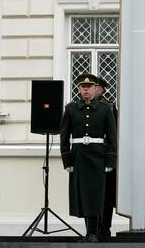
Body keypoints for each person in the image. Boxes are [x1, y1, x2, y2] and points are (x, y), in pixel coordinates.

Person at [60, 74, 116, 243]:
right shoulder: (70, 108)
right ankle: (89, 232)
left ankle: (93, 232)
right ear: (79, 89)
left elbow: (112, 137)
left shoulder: (105, 109)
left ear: (95, 89)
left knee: (96, 195)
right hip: (79, 156)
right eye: (83, 87)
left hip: (98, 155)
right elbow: (64, 136)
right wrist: (67, 160)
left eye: (89, 86)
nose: (85, 89)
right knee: (83, 194)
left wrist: (110, 160)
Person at [94, 77, 117, 237]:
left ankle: (104, 227)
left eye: (93, 86)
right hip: (90, 156)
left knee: (107, 194)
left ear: (101, 89)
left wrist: (111, 157)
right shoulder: (79, 107)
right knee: (91, 193)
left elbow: (113, 133)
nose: (88, 89)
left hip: (105, 155)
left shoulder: (108, 107)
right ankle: (92, 227)